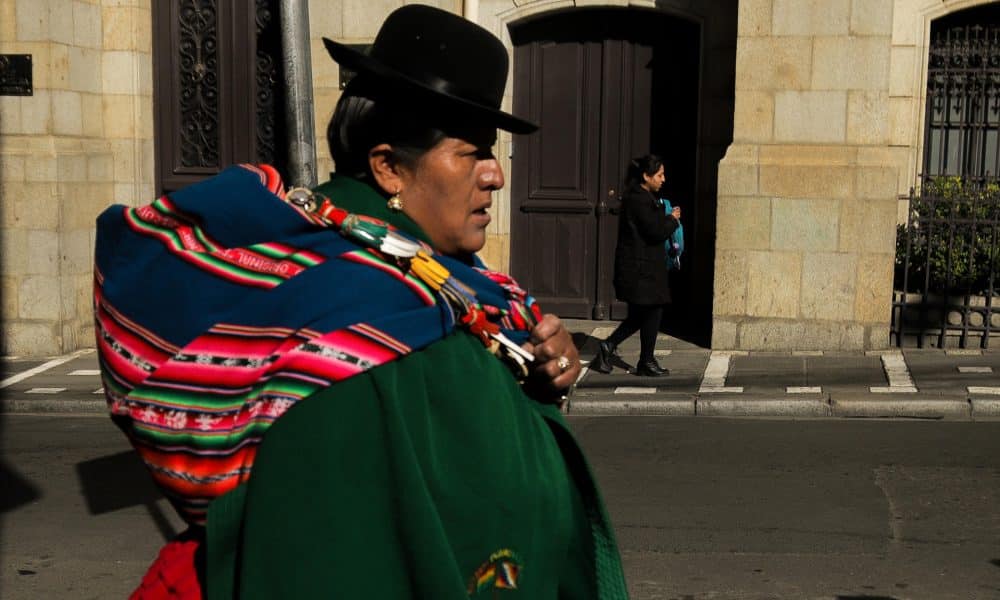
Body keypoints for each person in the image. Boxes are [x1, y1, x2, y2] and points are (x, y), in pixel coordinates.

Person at [93, 5, 629, 599]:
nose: (496, 176)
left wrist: (534, 378)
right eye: (470, 152)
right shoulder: (355, 319)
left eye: (491, 152)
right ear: (390, 167)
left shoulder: (422, 270)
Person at [590, 154, 680, 377]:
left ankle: (622, 352)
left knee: (645, 313)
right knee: (649, 311)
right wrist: (672, 219)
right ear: (646, 176)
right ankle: (640, 359)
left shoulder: (643, 197)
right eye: (659, 175)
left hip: (645, 268)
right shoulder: (638, 200)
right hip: (641, 269)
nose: (663, 179)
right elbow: (655, 231)